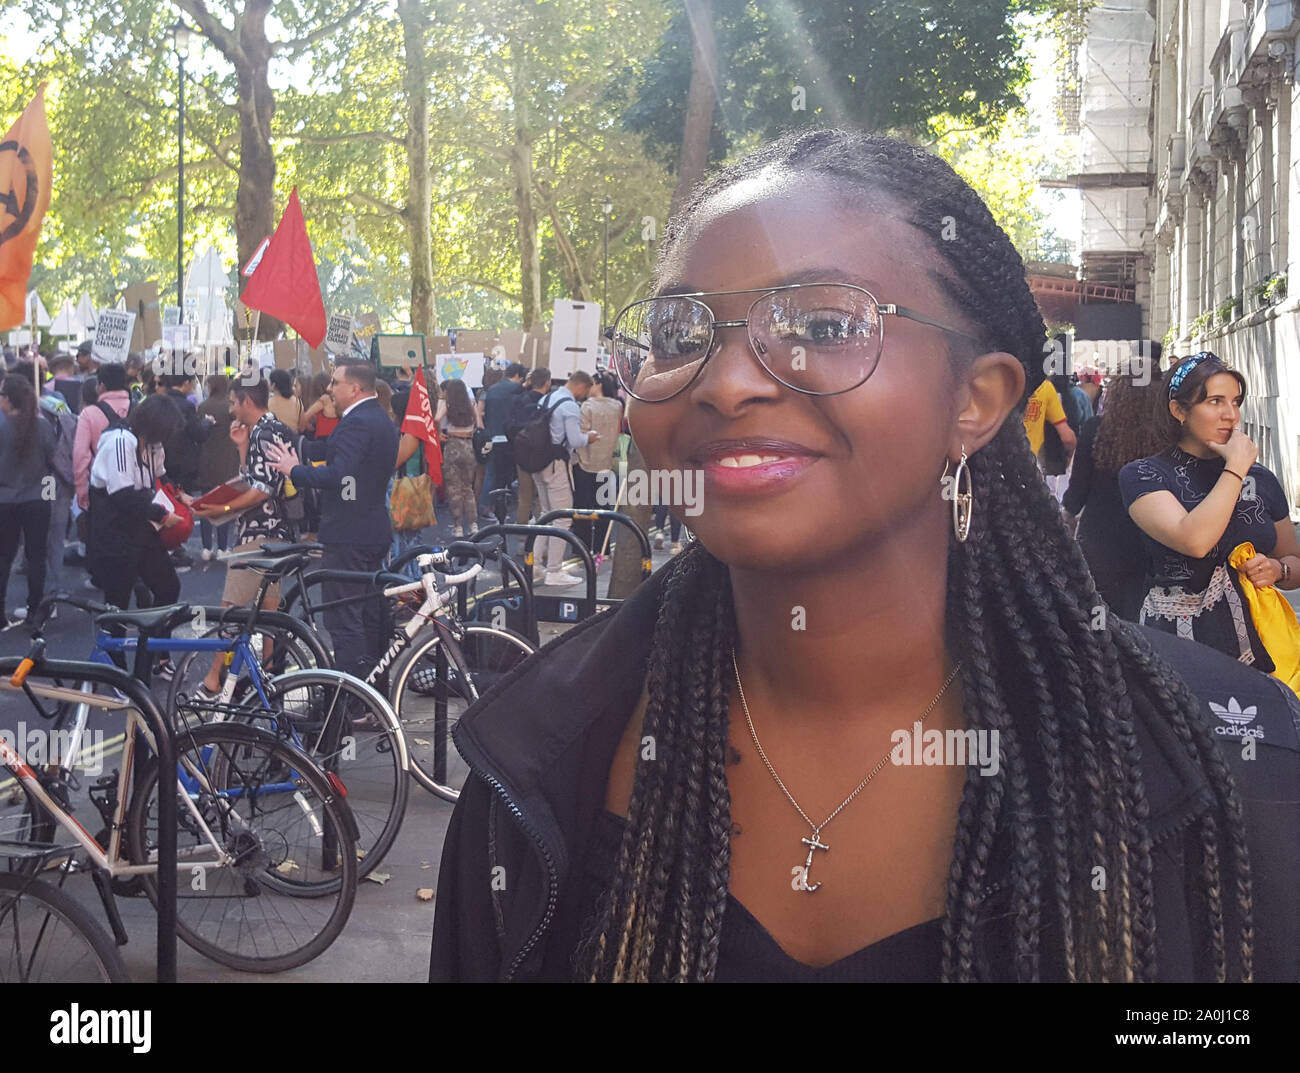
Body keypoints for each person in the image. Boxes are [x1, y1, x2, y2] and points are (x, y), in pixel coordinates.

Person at [430, 128, 1299, 983]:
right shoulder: (534, 770)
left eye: (820, 321)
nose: (726, 380)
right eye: (679, 332)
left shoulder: (1237, 768)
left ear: (977, 398)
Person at [1120, 352, 1300, 669]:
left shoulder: (1261, 479)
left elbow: (1294, 562)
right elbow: (1195, 540)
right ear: (1179, 410)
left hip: (1262, 649)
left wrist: (1277, 569)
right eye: (1215, 401)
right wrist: (1236, 467)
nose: (1231, 415)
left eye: (1236, 402)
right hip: (1179, 648)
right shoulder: (1144, 475)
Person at [266, 359, 399, 681]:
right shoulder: (377, 418)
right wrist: (301, 452)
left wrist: (294, 471)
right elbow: (342, 459)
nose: (329, 389)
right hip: (371, 528)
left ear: (354, 388)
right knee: (369, 616)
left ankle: (353, 700)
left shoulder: (357, 422)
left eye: (335, 383)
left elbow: (342, 476)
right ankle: (374, 693)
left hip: (350, 534)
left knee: (345, 619)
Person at [191, 378, 294, 696]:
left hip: (256, 535)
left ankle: (212, 680)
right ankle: (270, 677)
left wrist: (220, 509)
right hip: (276, 532)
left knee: (229, 609)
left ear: (247, 401)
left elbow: (260, 491)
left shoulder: (263, 432)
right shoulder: (273, 427)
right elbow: (259, 477)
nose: (231, 408)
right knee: (268, 610)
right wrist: (240, 447)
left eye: (234, 403)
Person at [87, 393, 186, 675]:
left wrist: (180, 495)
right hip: (114, 533)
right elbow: (122, 494)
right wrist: (163, 516)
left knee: (168, 586)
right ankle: (117, 672)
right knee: (117, 606)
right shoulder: (120, 441)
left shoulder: (153, 446)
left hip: (142, 529)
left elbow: (159, 477)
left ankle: (151, 654)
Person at [1063, 371, 1167, 621]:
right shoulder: (1167, 437)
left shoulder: (1095, 429)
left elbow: (1078, 490)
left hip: (1100, 540)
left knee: (1101, 619)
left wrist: (1066, 522)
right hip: (1151, 541)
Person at [528, 371, 598, 585]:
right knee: (563, 517)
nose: (584, 395)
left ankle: (535, 567)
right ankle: (554, 571)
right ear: (581, 386)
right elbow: (576, 441)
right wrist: (590, 437)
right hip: (556, 465)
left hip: (537, 462)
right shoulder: (570, 407)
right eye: (586, 391)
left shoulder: (546, 398)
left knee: (546, 514)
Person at [0, 375, 56, 628]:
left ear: (9, 400)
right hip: (38, 497)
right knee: (37, 556)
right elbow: (52, 460)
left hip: (5, 499)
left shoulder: (2, 426)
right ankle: (36, 610)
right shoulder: (43, 426)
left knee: (4, 557)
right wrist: (51, 496)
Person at [573, 371, 623, 551]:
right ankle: (603, 547)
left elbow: (582, 435)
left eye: (592, 383)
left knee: (584, 509)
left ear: (599, 385)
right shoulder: (617, 405)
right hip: (608, 464)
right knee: (604, 507)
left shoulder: (587, 406)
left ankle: (583, 548)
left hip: (586, 463)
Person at [196, 373, 238, 561]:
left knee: (205, 504)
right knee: (224, 505)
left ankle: (206, 547)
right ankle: (222, 547)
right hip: (228, 460)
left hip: (205, 459)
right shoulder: (229, 408)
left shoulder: (203, 406)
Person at [436, 378, 481, 538]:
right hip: (468, 446)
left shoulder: (447, 404)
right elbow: (479, 424)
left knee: (454, 488)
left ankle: (458, 527)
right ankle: (473, 524)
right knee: (468, 487)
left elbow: (436, 419)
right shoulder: (470, 403)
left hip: (452, 446)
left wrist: (438, 433)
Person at [480, 361, 526, 511]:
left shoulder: (492, 389)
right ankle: (496, 505)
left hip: (492, 434)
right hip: (508, 436)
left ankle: (486, 505)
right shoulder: (517, 388)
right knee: (503, 474)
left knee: (491, 472)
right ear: (518, 376)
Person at [506, 367, 550, 523]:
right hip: (542, 453)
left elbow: (509, 425)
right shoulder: (549, 402)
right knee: (541, 496)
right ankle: (538, 533)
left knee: (524, 496)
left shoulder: (518, 400)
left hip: (521, 451)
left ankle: (521, 532)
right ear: (547, 382)